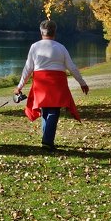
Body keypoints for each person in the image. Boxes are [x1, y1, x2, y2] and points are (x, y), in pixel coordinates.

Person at [14, 19, 89, 151]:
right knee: (53, 111)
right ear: (55, 32)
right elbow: (72, 67)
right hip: (57, 83)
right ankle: (47, 141)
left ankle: (47, 140)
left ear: (41, 32)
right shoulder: (61, 47)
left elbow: (28, 69)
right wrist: (82, 83)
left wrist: (20, 86)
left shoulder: (35, 47)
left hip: (40, 83)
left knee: (46, 111)